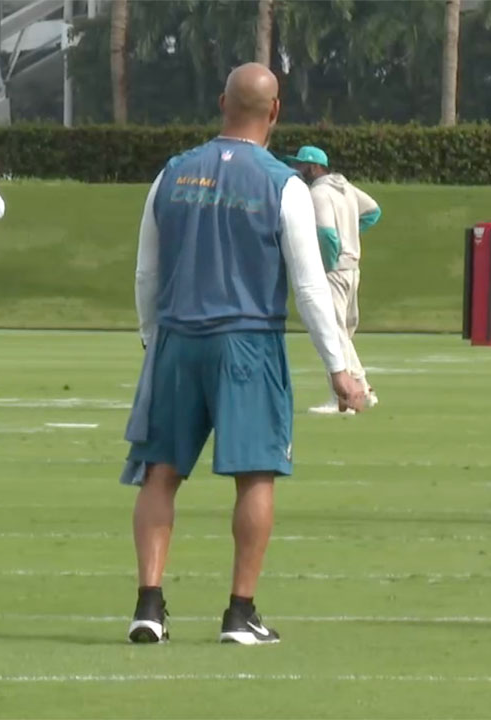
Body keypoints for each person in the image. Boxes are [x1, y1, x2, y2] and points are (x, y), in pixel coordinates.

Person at [121, 63, 364, 645]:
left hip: (177, 339)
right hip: (247, 344)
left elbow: (145, 273)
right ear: (275, 111)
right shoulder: (283, 184)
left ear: (220, 101)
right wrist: (341, 368)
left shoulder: (171, 174)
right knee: (256, 474)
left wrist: (155, 339)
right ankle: (240, 611)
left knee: (160, 474)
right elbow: (308, 286)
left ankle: (149, 606)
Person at [284, 145, 383, 413]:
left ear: (314, 167)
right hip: (353, 268)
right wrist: (351, 232)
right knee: (341, 331)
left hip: (335, 269)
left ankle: (345, 400)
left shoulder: (317, 193)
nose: (297, 171)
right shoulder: (345, 187)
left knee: (333, 332)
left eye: (301, 166)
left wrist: (325, 266)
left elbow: (327, 235)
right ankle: (363, 389)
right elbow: (373, 212)